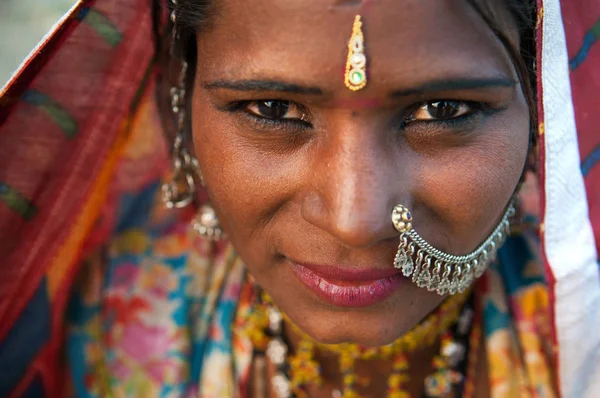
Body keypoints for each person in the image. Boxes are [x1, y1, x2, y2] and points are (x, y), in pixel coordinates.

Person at [0, 0, 599, 397]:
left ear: (544, 107)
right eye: (272, 110)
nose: (354, 221)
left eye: (441, 111)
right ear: (180, 100)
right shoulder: (107, 318)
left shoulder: (583, 332)